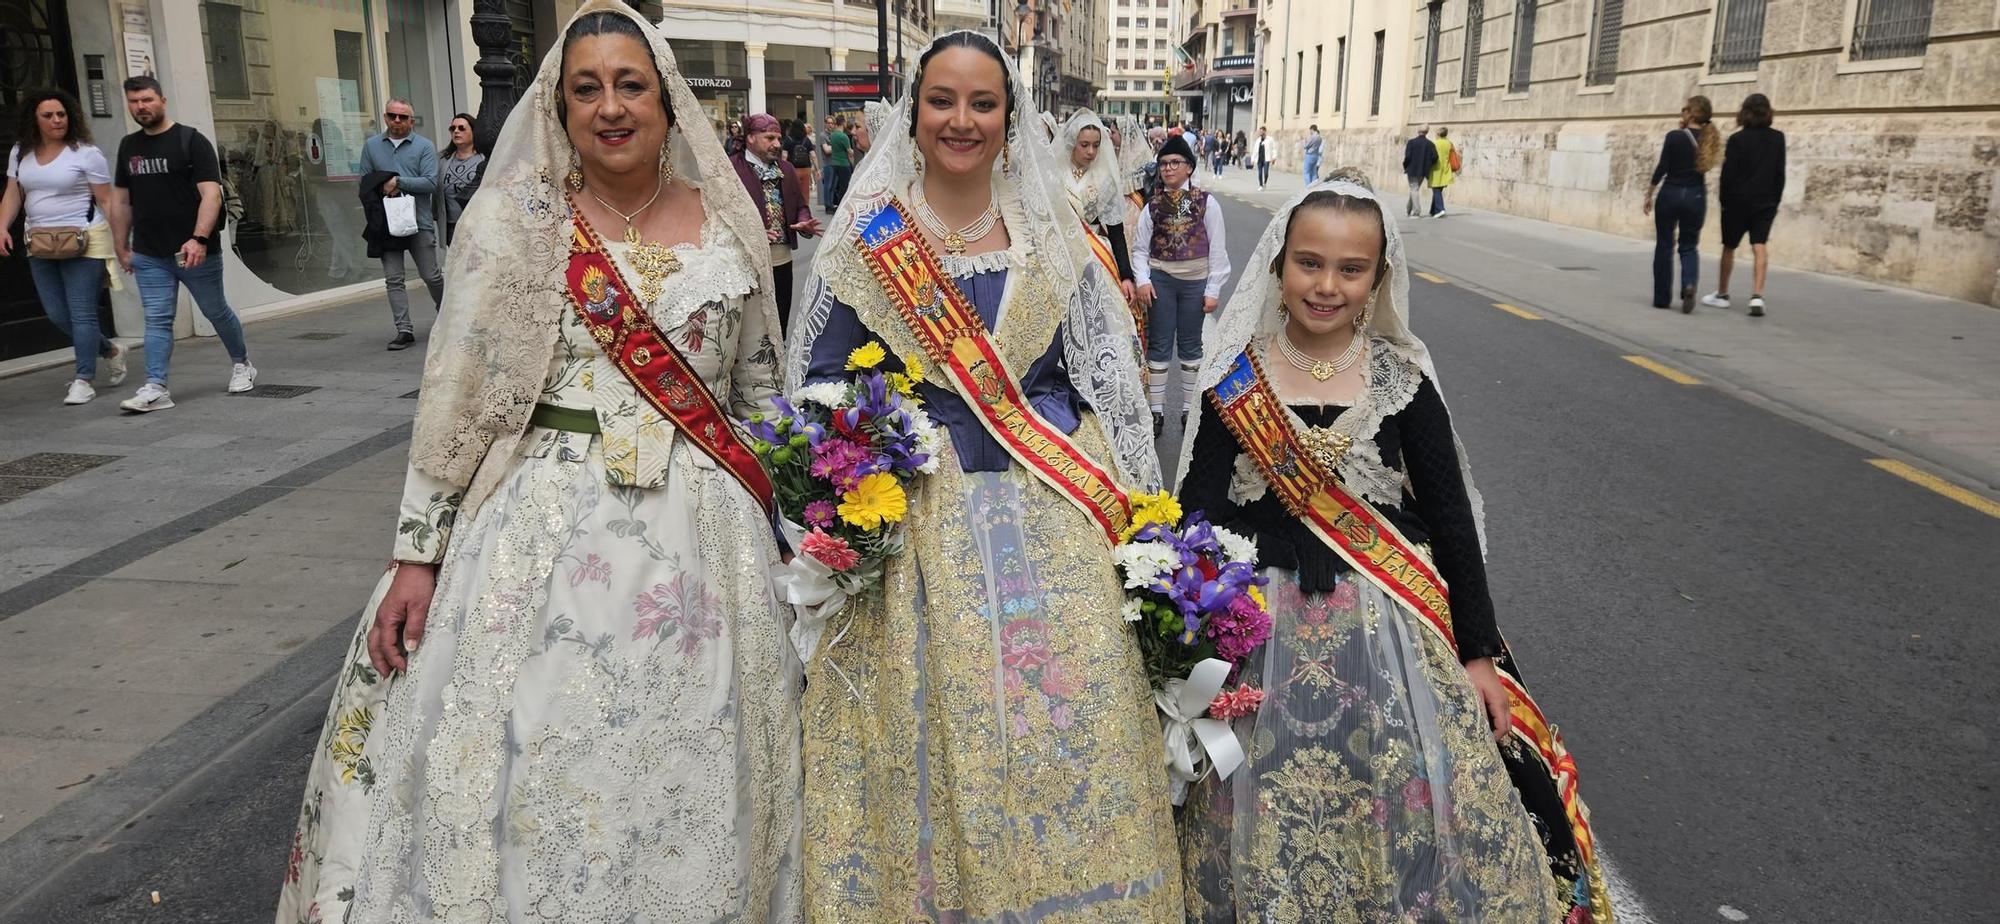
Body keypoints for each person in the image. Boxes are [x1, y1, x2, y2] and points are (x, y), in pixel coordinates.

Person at [273, 4, 800, 922]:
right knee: (532, 746)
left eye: (629, 84)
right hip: (540, 522)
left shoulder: (729, 220)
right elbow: (457, 392)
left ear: (668, 101)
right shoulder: (515, 221)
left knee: (699, 754)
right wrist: (416, 553)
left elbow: (759, 394)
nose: (609, 107)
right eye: (585, 88)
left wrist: (803, 528)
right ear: (558, 108)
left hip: (708, 538)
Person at [788, 29, 1183, 921]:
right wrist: (843, 500)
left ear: (1011, 118)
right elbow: (820, 390)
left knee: (1063, 727)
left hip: (1054, 515)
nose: (960, 120)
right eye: (942, 101)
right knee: (929, 738)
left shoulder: (1053, 235)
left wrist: (1143, 521)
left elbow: (1107, 383)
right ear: (912, 112)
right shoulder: (868, 237)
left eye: (982, 103)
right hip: (915, 521)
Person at [1173, 181, 1611, 923]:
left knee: (1393, 792)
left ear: (1378, 279)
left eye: (1351, 269)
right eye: (1310, 263)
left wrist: (1478, 654)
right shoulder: (1232, 379)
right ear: (1279, 266)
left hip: (1387, 633)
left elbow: (1451, 526)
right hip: (1258, 634)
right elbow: (1195, 516)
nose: (1327, 285)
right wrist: (1181, 642)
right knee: (1259, 802)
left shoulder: (1402, 384)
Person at [108, 75, 256, 413]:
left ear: (162, 100)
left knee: (214, 310)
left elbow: (211, 194)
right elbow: (121, 201)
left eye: (146, 99)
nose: (140, 107)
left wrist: (199, 238)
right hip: (149, 251)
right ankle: (156, 386)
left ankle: (242, 363)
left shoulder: (190, 141)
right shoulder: (128, 146)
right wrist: (121, 245)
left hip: (192, 250)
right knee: (158, 319)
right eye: (133, 101)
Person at [1, 88, 128, 405]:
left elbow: (107, 199)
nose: (57, 120)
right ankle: (110, 349)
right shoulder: (20, 152)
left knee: (82, 313)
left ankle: (83, 379)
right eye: (48, 115)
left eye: (61, 114)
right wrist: (2, 226)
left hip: (85, 239)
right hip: (40, 241)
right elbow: (13, 194)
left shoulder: (86, 153)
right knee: (58, 314)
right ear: (35, 119)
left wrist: (121, 242)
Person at [1133, 133, 1231, 435]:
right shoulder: (1152, 206)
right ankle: (1156, 411)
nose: (1168, 168)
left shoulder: (1207, 203)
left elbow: (1217, 248)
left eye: (1175, 162)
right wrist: (1143, 280)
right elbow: (1140, 248)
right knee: (1160, 344)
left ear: (1189, 167)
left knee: (1191, 346)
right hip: (1161, 281)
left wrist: (1213, 289)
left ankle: (1190, 410)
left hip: (1194, 284)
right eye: (1163, 163)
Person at [359, 98, 445, 350]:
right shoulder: (372, 146)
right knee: (393, 278)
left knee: (431, 275)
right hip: (387, 223)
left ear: (412, 120)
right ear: (385, 117)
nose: (397, 120)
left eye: (403, 117)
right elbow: (364, 182)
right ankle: (404, 329)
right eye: (392, 115)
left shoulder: (425, 147)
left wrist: (397, 181)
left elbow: (430, 183)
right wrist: (379, 187)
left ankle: (446, 312)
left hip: (418, 221)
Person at [732, 111, 821, 331]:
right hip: (746, 261)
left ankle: (778, 363)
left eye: (779, 138)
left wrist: (804, 222)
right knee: (751, 327)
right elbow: (721, 214)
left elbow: (800, 205)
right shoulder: (732, 169)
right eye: (770, 138)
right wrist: (752, 233)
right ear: (750, 138)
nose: (777, 144)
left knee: (780, 320)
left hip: (782, 260)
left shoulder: (786, 169)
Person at [1705, 93, 1784, 318]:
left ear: (1745, 112)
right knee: (1759, 244)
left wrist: (1724, 201)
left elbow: (1728, 175)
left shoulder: (1738, 139)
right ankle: (1757, 295)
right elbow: (1780, 173)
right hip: (1765, 200)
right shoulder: (1778, 138)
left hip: (1737, 201)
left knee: (1729, 246)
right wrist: (1775, 201)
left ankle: (1722, 293)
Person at [1644, 95, 1720, 313]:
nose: (1682, 112)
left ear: (1693, 113)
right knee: (1689, 246)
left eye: (1685, 109)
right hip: (1695, 196)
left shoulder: (1675, 137)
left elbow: (1663, 167)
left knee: (1665, 245)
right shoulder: (1710, 139)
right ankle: (1688, 283)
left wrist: (1649, 193)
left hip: (1670, 194)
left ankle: (1661, 298)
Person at [439, 112, 485, 245]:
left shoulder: (484, 158)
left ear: (473, 131)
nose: (456, 132)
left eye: (461, 128)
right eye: (453, 128)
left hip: (477, 224)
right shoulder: (442, 159)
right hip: (452, 225)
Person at [1401, 125, 1436, 217]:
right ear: (1427, 132)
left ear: (1418, 131)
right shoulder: (1430, 144)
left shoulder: (1412, 142)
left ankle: (1417, 210)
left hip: (1412, 169)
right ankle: (1408, 208)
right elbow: (1435, 157)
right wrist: (1428, 165)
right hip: (1423, 171)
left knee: (1414, 189)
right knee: (1414, 189)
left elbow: (1407, 156)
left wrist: (1405, 166)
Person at [822, 113, 853, 211]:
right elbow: (849, 152)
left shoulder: (833, 135)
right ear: (843, 123)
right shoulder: (844, 137)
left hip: (834, 163)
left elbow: (831, 148)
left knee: (835, 186)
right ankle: (841, 206)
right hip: (843, 163)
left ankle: (832, 205)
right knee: (845, 185)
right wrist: (852, 162)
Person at [1428, 125, 1456, 217]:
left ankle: (1440, 209)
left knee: (1436, 189)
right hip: (1446, 169)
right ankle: (1433, 210)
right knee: (1438, 189)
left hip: (1436, 169)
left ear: (1439, 134)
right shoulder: (1449, 143)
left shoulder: (1435, 143)